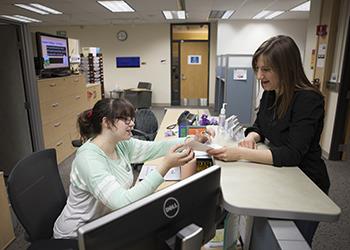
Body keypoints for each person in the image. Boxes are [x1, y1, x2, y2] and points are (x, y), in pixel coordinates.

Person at [207, 35, 330, 246]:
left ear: (287, 69)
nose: (259, 75)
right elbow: (260, 127)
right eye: (257, 69)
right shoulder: (271, 93)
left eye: (266, 70)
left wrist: (241, 153)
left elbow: (292, 154)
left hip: (306, 184)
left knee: (288, 240)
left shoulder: (309, 100)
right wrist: (251, 137)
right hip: (280, 175)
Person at [54, 98, 211, 239]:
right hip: (78, 235)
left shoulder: (120, 144)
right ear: (106, 122)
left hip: (105, 222)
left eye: (131, 119)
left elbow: (157, 148)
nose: (132, 124)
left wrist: (192, 140)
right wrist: (165, 166)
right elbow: (122, 202)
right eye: (125, 119)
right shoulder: (88, 160)